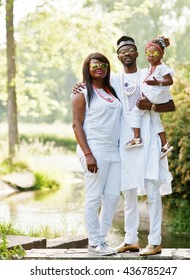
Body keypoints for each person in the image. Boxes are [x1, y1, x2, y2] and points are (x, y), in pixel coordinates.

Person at [110, 36, 175, 256]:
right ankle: (130, 240)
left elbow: (171, 104)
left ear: (137, 54)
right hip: (126, 141)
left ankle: (155, 241)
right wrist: (80, 85)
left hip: (148, 139)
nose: (127, 53)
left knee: (152, 189)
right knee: (128, 189)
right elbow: (93, 88)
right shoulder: (114, 80)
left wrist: (152, 105)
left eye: (130, 49)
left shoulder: (148, 74)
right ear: (118, 56)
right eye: (122, 50)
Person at [71, 52, 121, 256]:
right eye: (94, 65)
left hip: (114, 151)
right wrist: (88, 153)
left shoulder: (111, 90)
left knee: (112, 197)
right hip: (94, 150)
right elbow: (76, 125)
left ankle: (101, 239)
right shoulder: (81, 91)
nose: (99, 67)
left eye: (103, 64)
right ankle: (93, 243)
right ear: (87, 68)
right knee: (94, 197)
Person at [125, 36, 174, 159]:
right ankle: (165, 144)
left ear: (161, 55)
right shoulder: (151, 68)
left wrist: (158, 83)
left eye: (155, 53)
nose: (151, 55)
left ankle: (136, 138)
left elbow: (170, 80)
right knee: (155, 120)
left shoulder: (161, 67)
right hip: (154, 97)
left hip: (154, 96)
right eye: (148, 53)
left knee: (134, 112)